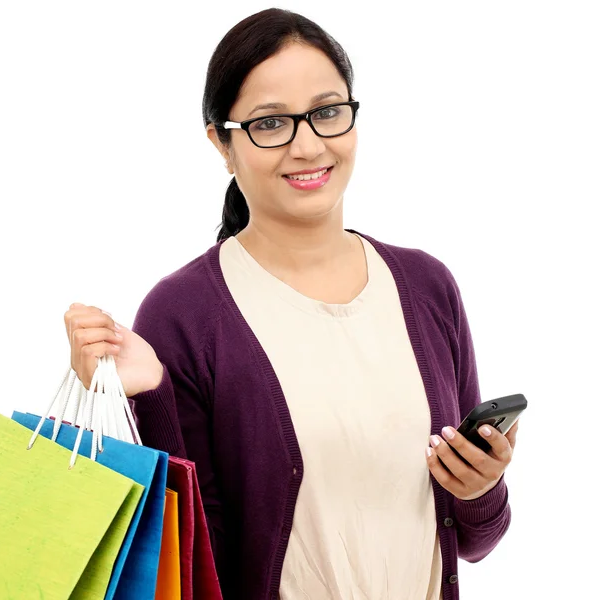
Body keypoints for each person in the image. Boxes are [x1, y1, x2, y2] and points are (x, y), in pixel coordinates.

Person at [64, 8, 519, 600]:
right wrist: (149, 395)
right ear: (222, 145)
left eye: (328, 112)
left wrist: (481, 485)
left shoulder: (428, 286)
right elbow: (192, 562)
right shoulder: (184, 313)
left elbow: (472, 542)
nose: (308, 145)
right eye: (270, 123)